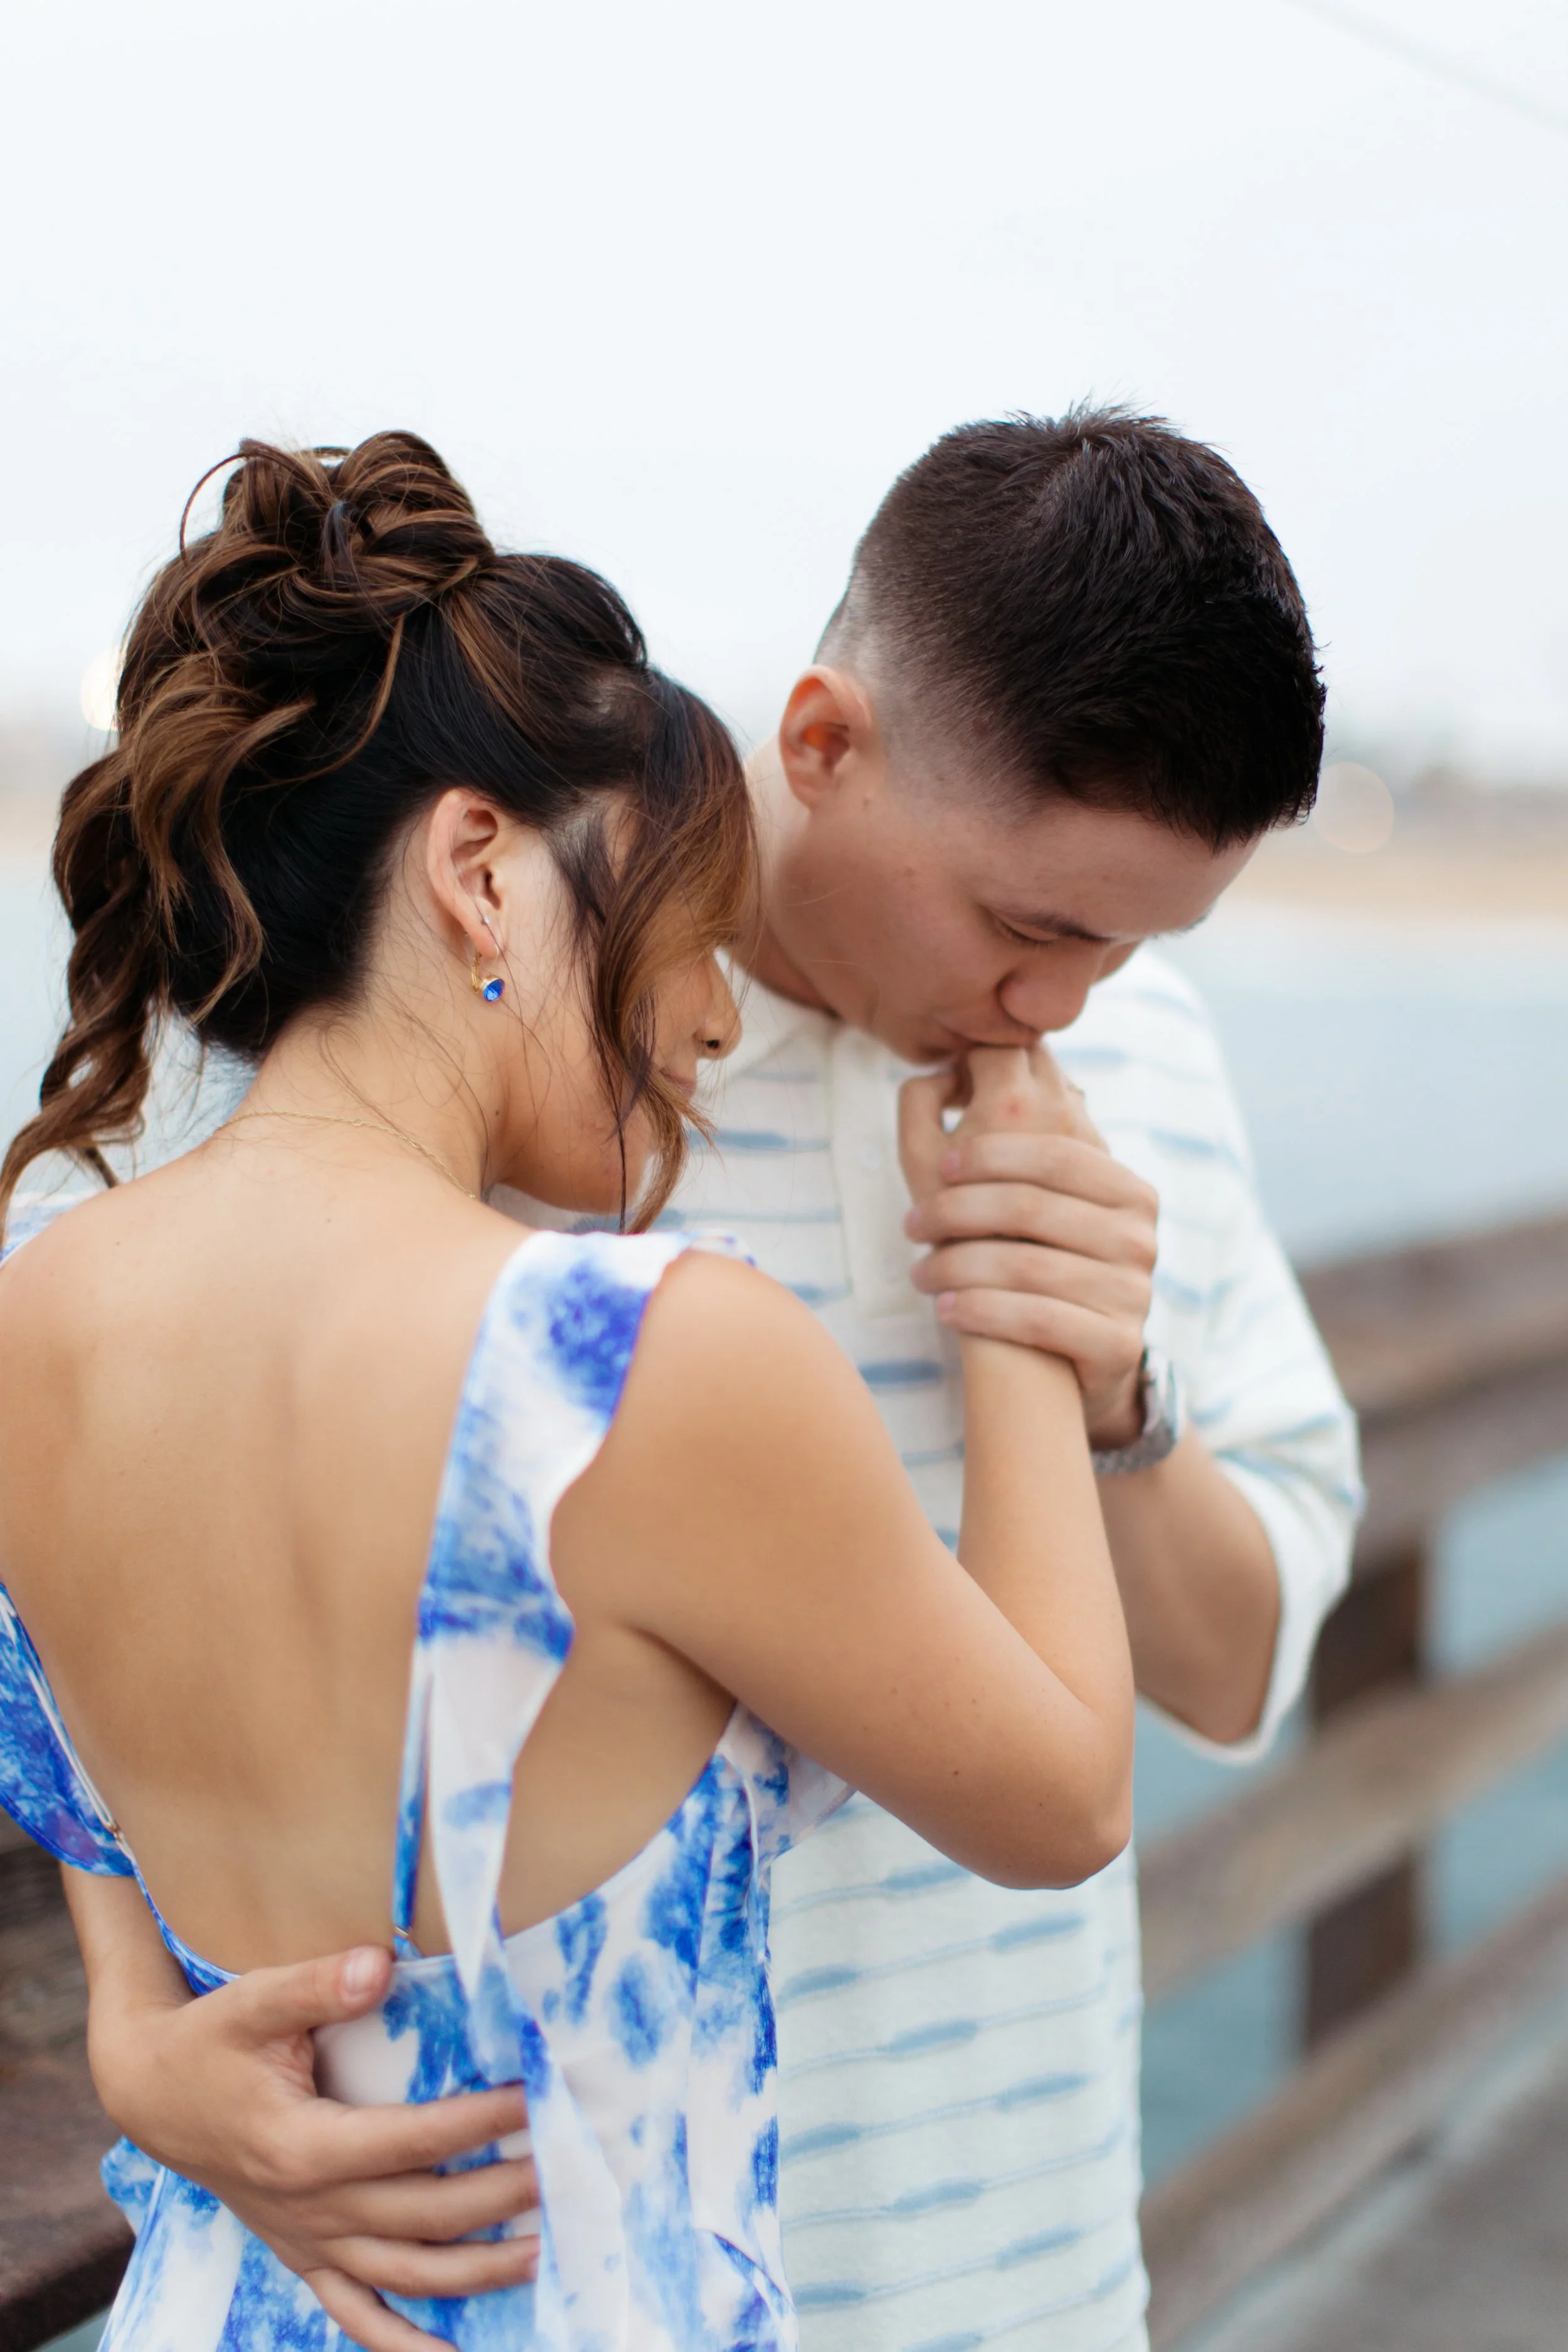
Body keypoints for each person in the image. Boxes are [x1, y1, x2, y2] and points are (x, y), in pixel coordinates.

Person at [65, 413, 1362, 2351]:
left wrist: (1112, 1395)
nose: (1065, 1007)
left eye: (1134, 944)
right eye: (1031, 924)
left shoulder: (1136, 1063)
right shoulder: (503, 1039)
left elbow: (1235, 1669)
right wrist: (135, 2040)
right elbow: (122, 1532)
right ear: (824, 740)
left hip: (1033, 2270)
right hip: (575, 2262)